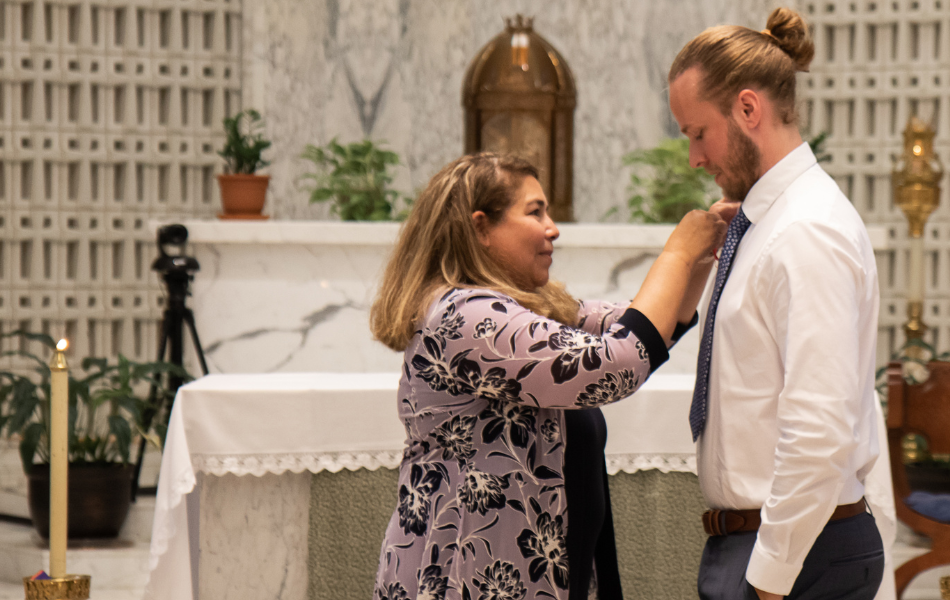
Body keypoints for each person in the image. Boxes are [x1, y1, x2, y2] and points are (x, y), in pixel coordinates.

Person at [369, 152, 724, 600]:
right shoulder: (466, 317)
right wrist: (678, 250)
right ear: (481, 228)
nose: (552, 228)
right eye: (535, 212)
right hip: (468, 579)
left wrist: (704, 254)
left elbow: (642, 326)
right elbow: (615, 363)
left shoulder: (525, 309)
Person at [668, 7, 886, 600]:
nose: (694, 158)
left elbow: (819, 425)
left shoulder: (806, 230)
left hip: (798, 554)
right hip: (768, 547)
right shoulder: (768, 224)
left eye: (697, 133)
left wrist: (769, 579)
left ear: (747, 109)